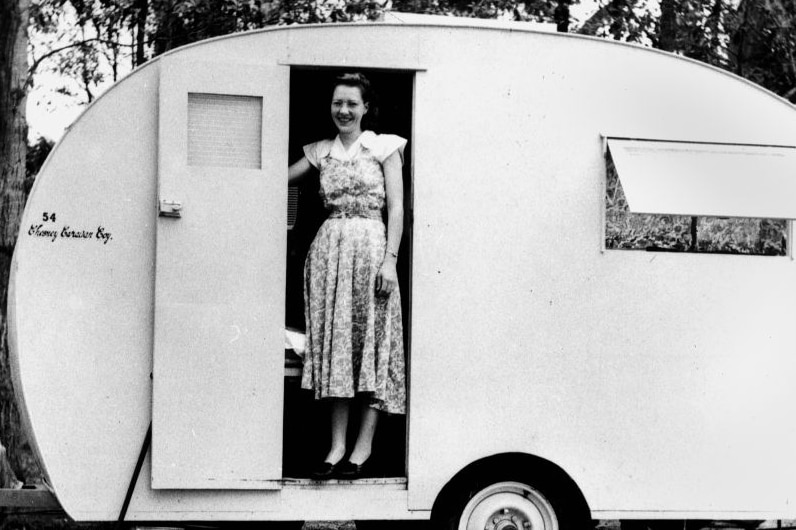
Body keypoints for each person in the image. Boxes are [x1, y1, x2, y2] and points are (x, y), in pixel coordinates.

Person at [288, 73, 407, 480]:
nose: (344, 110)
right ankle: (336, 445)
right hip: (329, 254)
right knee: (337, 345)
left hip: (372, 251)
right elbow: (275, 178)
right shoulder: (321, 151)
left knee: (372, 342)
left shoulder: (384, 147)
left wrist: (390, 260)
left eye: (352, 104)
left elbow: (396, 209)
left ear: (365, 107)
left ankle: (363, 446)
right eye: (338, 103)